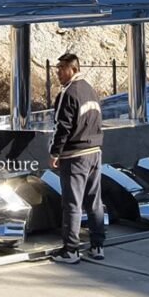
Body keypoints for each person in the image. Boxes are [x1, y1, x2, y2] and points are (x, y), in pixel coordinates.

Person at [49, 52, 106, 264]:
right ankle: (97, 245)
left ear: (73, 69)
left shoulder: (68, 92)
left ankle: (70, 251)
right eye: (57, 69)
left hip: (75, 155)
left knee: (72, 203)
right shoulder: (90, 90)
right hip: (95, 152)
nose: (58, 73)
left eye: (62, 69)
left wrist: (55, 152)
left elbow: (62, 126)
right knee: (94, 201)